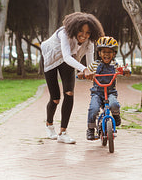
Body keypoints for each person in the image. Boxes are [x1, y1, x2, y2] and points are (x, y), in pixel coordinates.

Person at [41, 12, 104, 144]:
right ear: (75, 29)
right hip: (51, 59)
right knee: (56, 98)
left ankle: (63, 133)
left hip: (69, 61)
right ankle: (49, 124)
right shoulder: (64, 33)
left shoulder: (89, 42)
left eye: (88, 33)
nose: (84, 35)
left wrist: (91, 71)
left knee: (69, 93)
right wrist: (83, 69)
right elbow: (66, 56)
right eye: (81, 31)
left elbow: (90, 62)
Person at [78, 36, 130, 141]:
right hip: (97, 92)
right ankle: (91, 129)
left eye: (109, 52)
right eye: (104, 51)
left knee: (114, 104)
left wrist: (126, 71)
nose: (106, 54)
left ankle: (116, 116)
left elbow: (122, 69)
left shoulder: (114, 64)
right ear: (99, 53)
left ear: (114, 53)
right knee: (93, 109)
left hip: (110, 92)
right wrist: (82, 73)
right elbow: (86, 71)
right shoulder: (95, 64)